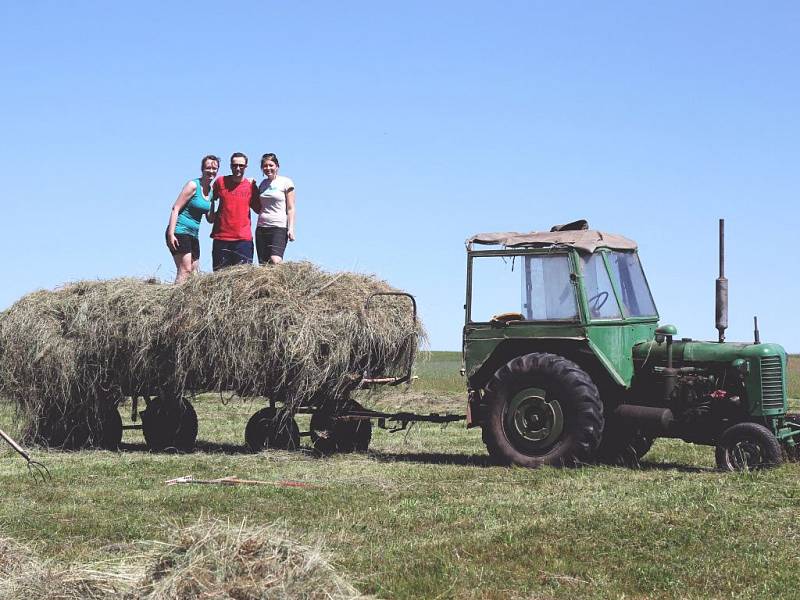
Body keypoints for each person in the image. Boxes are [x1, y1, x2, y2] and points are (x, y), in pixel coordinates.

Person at [165, 155, 219, 283]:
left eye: (214, 168)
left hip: (193, 234)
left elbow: (210, 218)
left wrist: (222, 203)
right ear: (202, 169)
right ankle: (176, 301)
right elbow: (175, 208)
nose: (211, 171)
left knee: (194, 272)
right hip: (179, 230)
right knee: (185, 269)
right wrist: (171, 233)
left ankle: (189, 302)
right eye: (208, 168)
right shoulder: (193, 185)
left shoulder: (211, 192)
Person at [209, 152, 259, 271]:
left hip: (243, 240)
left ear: (246, 167)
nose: (237, 168)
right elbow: (209, 197)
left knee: (242, 280)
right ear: (230, 166)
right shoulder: (220, 182)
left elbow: (259, 209)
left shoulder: (251, 186)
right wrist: (210, 215)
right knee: (219, 279)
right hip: (221, 238)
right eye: (234, 165)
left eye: (241, 166)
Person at [253, 153, 296, 265]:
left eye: (271, 165)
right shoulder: (262, 184)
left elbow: (291, 208)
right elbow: (258, 207)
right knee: (264, 264)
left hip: (279, 227)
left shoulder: (286, 182)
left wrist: (291, 228)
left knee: (275, 260)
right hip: (262, 227)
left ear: (277, 166)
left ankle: (285, 278)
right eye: (265, 166)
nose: (268, 168)